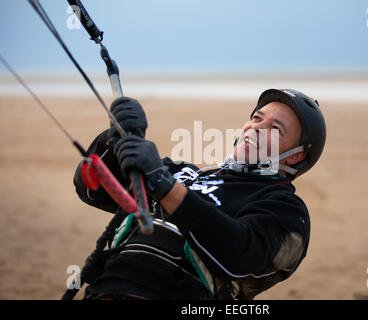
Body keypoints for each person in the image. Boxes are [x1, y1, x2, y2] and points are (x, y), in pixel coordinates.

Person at [65, 88, 326, 300]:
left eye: (275, 128)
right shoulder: (183, 173)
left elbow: (242, 256)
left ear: (296, 156)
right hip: (106, 289)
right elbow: (91, 189)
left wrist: (165, 186)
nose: (256, 127)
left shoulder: (285, 208)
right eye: (257, 118)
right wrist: (115, 139)